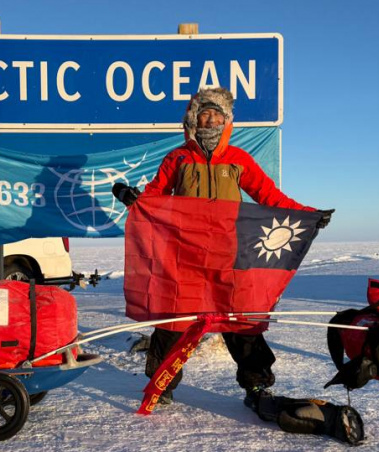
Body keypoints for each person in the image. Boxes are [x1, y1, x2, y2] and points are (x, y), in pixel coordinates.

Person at [114, 86, 334, 409]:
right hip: (184, 257)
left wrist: (306, 215)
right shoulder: (178, 158)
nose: (211, 119)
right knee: (173, 321)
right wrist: (131, 197)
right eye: (205, 113)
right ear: (195, 118)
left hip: (229, 259)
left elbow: (269, 197)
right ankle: (162, 383)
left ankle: (256, 385)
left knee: (241, 321)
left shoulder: (238, 160)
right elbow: (154, 196)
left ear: (226, 120)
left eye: (218, 114)